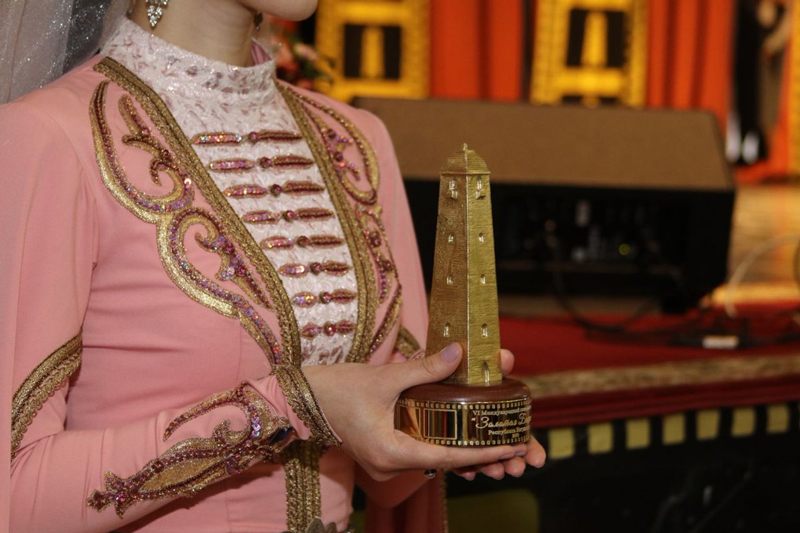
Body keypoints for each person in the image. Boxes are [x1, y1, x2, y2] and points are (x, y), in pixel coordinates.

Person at [0, 1, 545, 531]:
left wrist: (450, 430)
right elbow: (15, 496)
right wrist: (294, 407)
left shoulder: (355, 141)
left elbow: (388, 481)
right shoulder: (52, 135)